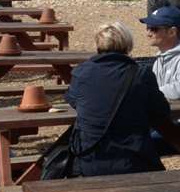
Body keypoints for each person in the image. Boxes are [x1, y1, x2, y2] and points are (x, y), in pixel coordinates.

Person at [65, 22, 172, 177]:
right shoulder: (141, 74)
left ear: (98, 45)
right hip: (134, 160)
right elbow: (161, 112)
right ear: (128, 46)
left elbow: (73, 100)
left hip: (90, 159)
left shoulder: (81, 72)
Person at [139, 5, 180, 100]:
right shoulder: (160, 58)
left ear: (172, 32)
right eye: (148, 27)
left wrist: (147, 92)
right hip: (168, 112)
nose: (148, 33)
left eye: (154, 29)